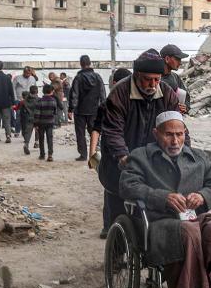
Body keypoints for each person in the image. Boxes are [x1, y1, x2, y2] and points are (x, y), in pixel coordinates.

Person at [119, 112, 211, 288]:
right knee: (188, 232)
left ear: (185, 134)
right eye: (169, 134)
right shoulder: (141, 156)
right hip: (159, 221)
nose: (175, 140)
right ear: (156, 133)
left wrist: (203, 195)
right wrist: (162, 197)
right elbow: (128, 185)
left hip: (194, 217)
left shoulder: (198, 157)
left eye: (179, 134)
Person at [100, 49, 186, 234]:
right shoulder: (119, 94)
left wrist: (184, 151)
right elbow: (113, 131)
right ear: (137, 75)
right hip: (120, 157)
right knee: (118, 200)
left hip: (151, 157)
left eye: (157, 79)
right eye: (148, 79)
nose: (153, 84)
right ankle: (114, 241)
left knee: (149, 201)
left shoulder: (167, 93)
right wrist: (123, 156)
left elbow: (177, 126)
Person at [91, 67, 132, 239]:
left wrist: (92, 151)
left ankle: (117, 229)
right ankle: (110, 228)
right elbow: (97, 129)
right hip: (114, 158)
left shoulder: (133, 104)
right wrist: (92, 152)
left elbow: (95, 130)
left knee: (117, 194)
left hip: (126, 156)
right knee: (112, 193)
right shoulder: (108, 105)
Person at [69, 55, 106, 161]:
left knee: (80, 133)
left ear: (81, 64)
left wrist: (71, 109)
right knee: (95, 132)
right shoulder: (98, 77)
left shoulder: (78, 78)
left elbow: (74, 94)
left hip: (80, 111)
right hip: (94, 110)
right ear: (90, 63)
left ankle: (83, 154)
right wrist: (103, 107)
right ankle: (96, 152)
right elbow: (102, 93)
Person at [160, 44, 190, 112]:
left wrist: (185, 107)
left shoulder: (175, 77)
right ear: (167, 59)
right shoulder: (154, 79)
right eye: (177, 59)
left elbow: (186, 97)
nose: (180, 63)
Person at [34, 84, 58, 162]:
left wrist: (36, 124)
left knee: (41, 138)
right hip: (50, 122)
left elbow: (37, 114)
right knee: (49, 138)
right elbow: (55, 112)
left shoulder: (39, 101)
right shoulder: (53, 101)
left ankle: (42, 154)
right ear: (51, 91)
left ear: (43, 91)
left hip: (41, 123)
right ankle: (50, 155)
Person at [12, 67, 37, 138]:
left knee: (28, 116)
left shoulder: (32, 78)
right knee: (18, 115)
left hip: (29, 100)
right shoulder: (17, 78)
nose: (28, 74)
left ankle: (26, 131)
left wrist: (34, 97)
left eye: (29, 73)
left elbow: (34, 88)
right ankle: (17, 130)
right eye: (27, 73)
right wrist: (15, 98)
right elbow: (13, 88)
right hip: (19, 99)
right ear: (24, 72)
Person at [18, 86, 39, 155]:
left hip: (28, 117)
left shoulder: (25, 100)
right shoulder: (38, 99)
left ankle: (26, 144)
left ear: (30, 91)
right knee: (37, 130)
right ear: (37, 91)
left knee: (28, 132)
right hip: (37, 117)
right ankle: (36, 142)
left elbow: (21, 110)